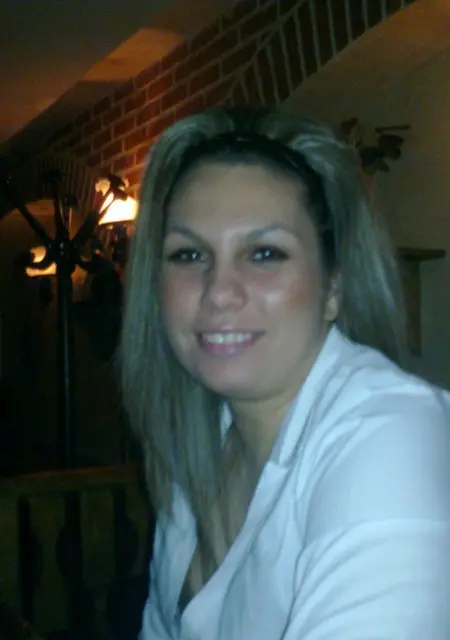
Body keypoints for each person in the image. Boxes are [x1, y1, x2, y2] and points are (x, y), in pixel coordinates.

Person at [120, 107, 450, 639]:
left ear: (333, 288)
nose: (219, 291)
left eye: (265, 253)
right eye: (189, 254)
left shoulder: (392, 437)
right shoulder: (199, 446)